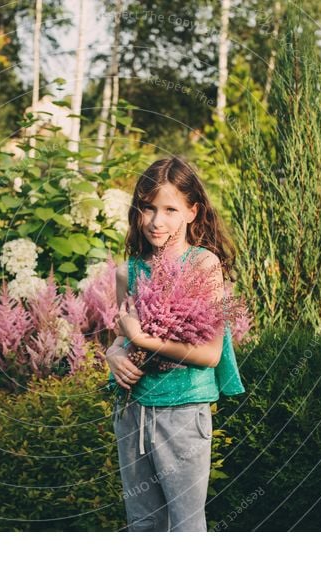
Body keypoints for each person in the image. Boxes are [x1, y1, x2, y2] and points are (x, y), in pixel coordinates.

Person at [105, 156, 242, 532]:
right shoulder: (128, 271)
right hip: (132, 411)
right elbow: (120, 334)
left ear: (192, 212)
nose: (155, 221)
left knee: (185, 526)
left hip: (182, 413)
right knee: (143, 525)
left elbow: (210, 354)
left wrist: (139, 337)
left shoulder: (203, 265)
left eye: (169, 209)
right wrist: (113, 354)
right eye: (148, 208)